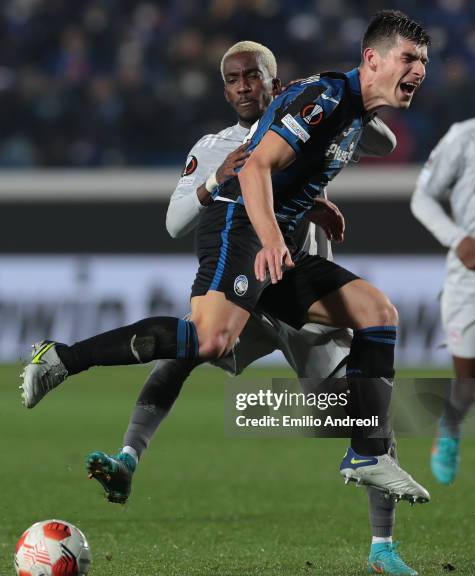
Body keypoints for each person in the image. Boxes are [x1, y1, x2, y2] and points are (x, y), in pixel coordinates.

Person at [21, 11, 430, 511]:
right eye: (409, 58)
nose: (420, 70)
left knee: (379, 314)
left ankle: (366, 456)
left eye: (423, 61)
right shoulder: (325, 98)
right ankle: (62, 359)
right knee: (208, 340)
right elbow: (256, 166)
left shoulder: (351, 112)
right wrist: (272, 236)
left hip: (277, 243)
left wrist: (311, 202)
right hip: (238, 227)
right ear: (373, 59)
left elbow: (304, 158)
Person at [411, 119, 475, 485]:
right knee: (468, 383)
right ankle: (450, 424)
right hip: (470, 276)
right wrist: (458, 239)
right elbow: (422, 197)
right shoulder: (464, 137)